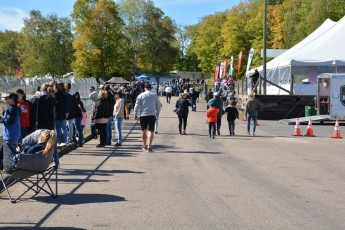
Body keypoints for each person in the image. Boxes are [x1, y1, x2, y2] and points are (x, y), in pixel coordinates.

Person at [133, 83, 161, 152]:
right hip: (152, 114)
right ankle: (149, 146)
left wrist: (135, 114)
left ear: (144, 88)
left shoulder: (140, 95)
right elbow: (159, 105)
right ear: (150, 88)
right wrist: (157, 113)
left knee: (143, 130)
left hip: (143, 114)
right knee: (151, 130)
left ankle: (144, 145)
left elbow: (136, 106)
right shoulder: (155, 95)